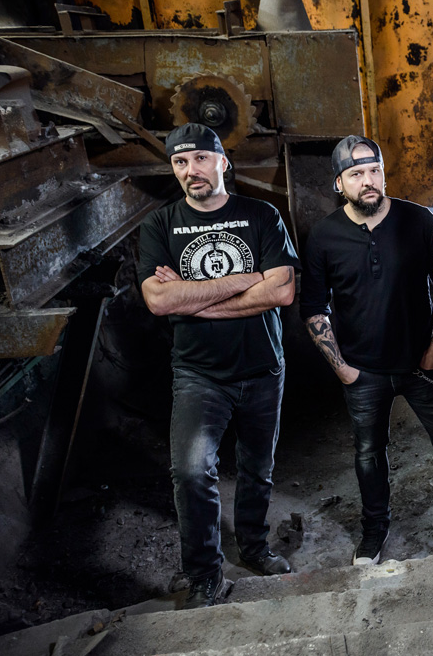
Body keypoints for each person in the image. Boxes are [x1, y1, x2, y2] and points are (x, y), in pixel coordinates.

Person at [300, 135, 433, 566]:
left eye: (374, 170)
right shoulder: (323, 236)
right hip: (362, 371)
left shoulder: (418, 221)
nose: (368, 181)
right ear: (339, 184)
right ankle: (374, 531)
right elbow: (315, 308)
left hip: (421, 366)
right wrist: (342, 369)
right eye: (356, 174)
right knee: (369, 455)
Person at [138, 123, 300, 609]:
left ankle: (254, 547)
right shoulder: (159, 225)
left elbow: (282, 290)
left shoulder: (261, 215)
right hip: (199, 373)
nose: (192, 170)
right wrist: (248, 278)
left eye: (201, 159)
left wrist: (192, 300)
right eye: (180, 162)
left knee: (257, 468)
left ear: (222, 162)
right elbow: (158, 300)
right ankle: (204, 573)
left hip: (263, 367)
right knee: (191, 472)